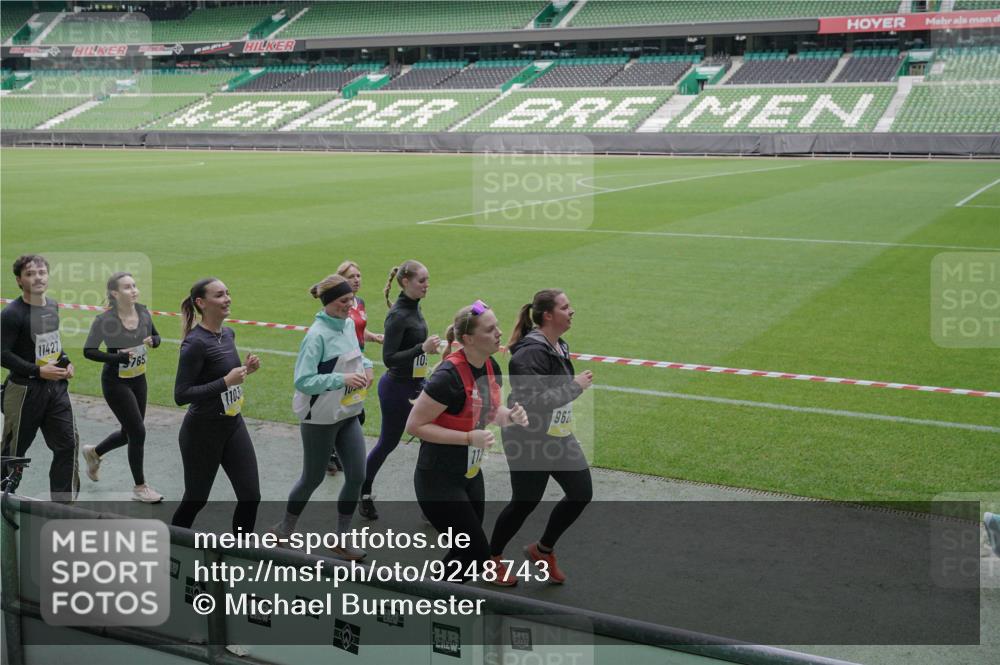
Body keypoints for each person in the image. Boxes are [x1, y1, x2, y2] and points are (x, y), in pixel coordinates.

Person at [407, 301, 527, 585]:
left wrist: (510, 416)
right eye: (490, 329)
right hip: (438, 478)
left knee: (466, 554)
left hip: (470, 474)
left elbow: (489, 411)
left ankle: (432, 601)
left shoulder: (490, 364)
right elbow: (414, 425)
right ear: (469, 339)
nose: (499, 332)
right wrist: (467, 438)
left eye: (497, 325)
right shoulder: (447, 377)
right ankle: (433, 606)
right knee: (476, 552)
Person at [489, 289, 593, 584]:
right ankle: (492, 557)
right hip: (528, 439)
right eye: (565, 306)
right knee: (524, 502)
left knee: (581, 492)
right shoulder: (530, 352)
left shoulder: (559, 345)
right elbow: (533, 401)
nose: (571, 311)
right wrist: (575, 387)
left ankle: (543, 550)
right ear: (548, 315)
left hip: (557, 436)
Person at [270, 274, 373, 560]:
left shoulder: (349, 324)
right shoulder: (316, 335)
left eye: (351, 299)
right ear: (328, 303)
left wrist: (367, 367)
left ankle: (341, 539)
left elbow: (357, 354)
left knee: (357, 476)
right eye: (343, 301)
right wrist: (342, 379)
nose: (349, 305)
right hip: (319, 418)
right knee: (312, 478)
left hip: (347, 413)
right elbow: (303, 380)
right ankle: (284, 530)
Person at [171, 278, 261, 533]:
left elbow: (224, 377)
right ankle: (173, 549)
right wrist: (225, 381)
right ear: (201, 303)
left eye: (228, 294)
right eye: (220, 295)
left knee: (251, 496)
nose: (227, 299)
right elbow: (181, 394)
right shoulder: (194, 343)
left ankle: (239, 554)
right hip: (202, 433)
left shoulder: (228, 333)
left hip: (233, 425)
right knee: (196, 499)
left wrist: (246, 371)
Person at [359, 260, 441, 520]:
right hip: (397, 389)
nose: (427, 285)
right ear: (406, 282)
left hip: (417, 386)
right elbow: (389, 357)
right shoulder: (398, 315)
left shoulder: (413, 308)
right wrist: (422, 349)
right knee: (388, 442)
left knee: (433, 440)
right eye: (422, 281)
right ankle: (363, 491)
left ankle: (432, 502)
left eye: (428, 280)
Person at [0, 255, 80, 503]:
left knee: (68, 445)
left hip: (54, 390)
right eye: (30, 274)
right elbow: (3, 354)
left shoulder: (51, 306)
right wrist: (37, 371)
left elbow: (51, 344)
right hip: (23, 392)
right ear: (19, 280)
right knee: (13, 452)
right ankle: (3, 498)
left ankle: (63, 508)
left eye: (42, 272)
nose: (38, 277)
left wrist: (65, 361)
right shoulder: (12, 314)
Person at [81, 272, 163, 503]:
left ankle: (94, 452)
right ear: (115, 294)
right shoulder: (105, 320)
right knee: (138, 432)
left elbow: (156, 337)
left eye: (135, 286)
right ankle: (140, 487)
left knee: (130, 432)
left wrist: (154, 341)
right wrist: (118, 357)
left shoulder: (143, 311)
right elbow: (89, 351)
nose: (134, 290)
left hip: (139, 379)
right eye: (127, 287)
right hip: (116, 383)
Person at [327, 260, 383, 476]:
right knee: (343, 409)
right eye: (352, 277)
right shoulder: (338, 305)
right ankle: (330, 453)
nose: (357, 280)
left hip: (359, 360)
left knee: (353, 409)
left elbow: (359, 329)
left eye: (359, 276)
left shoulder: (359, 302)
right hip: (343, 364)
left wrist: (373, 337)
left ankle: (336, 450)